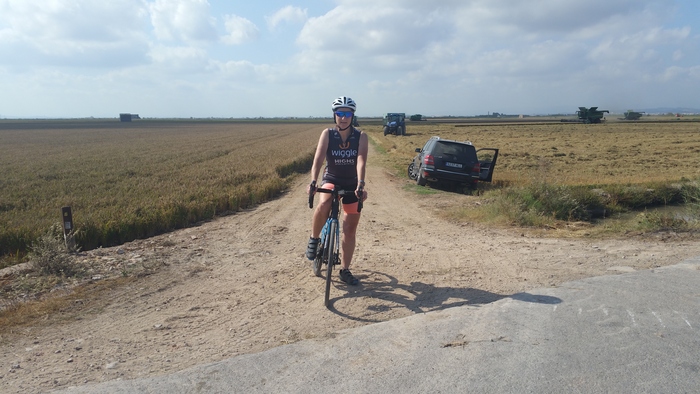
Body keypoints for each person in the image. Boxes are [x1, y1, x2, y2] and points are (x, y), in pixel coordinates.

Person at [306, 96, 368, 286]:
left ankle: (345, 269)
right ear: (335, 116)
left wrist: (361, 183)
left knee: (349, 229)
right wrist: (313, 181)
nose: (343, 117)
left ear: (352, 116)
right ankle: (314, 239)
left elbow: (361, 160)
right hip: (331, 178)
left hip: (351, 183)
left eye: (347, 114)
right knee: (324, 203)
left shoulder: (360, 136)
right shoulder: (327, 134)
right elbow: (318, 158)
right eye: (340, 113)